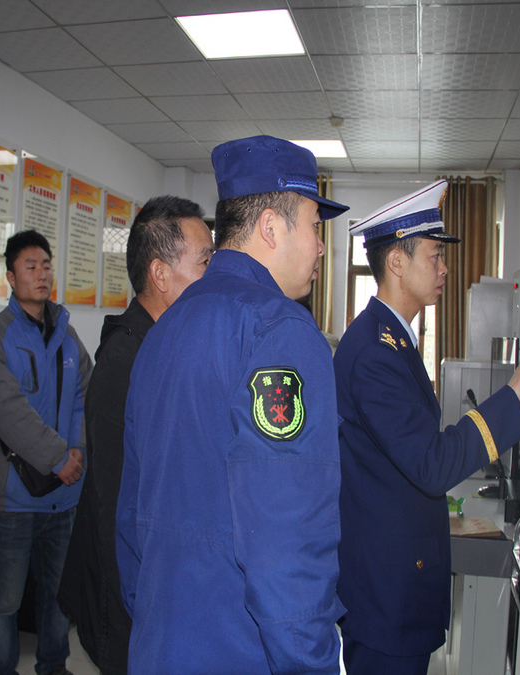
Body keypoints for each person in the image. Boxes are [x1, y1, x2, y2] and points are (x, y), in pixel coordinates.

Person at [115, 135, 349, 675]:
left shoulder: (163, 329)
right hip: (243, 650)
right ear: (271, 227)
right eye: (314, 226)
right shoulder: (280, 331)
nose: (320, 247)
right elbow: (287, 538)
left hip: (161, 643)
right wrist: (311, 663)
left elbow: (131, 516)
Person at [333, 180, 520, 675]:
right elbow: (431, 463)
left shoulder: (393, 341)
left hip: (396, 583)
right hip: (386, 594)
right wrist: (513, 392)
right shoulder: (374, 352)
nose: (445, 268)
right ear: (396, 262)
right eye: (435, 256)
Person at [58, 195, 214, 675]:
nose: (215, 277)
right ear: (161, 275)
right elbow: (115, 500)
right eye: (205, 262)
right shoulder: (125, 362)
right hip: (127, 592)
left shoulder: (167, 344)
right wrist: (139, 603)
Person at [0, 229, 92, 675]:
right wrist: (59, 458)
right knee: (5, 603)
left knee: (58, 597)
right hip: (16, 499)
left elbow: (84, 396)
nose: (41, 274)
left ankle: (53, 666)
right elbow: (7, 411)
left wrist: (77, 451)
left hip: (65, 495)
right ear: (10, 276)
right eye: (30, 266)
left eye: (46, 266)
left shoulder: (66, 334)